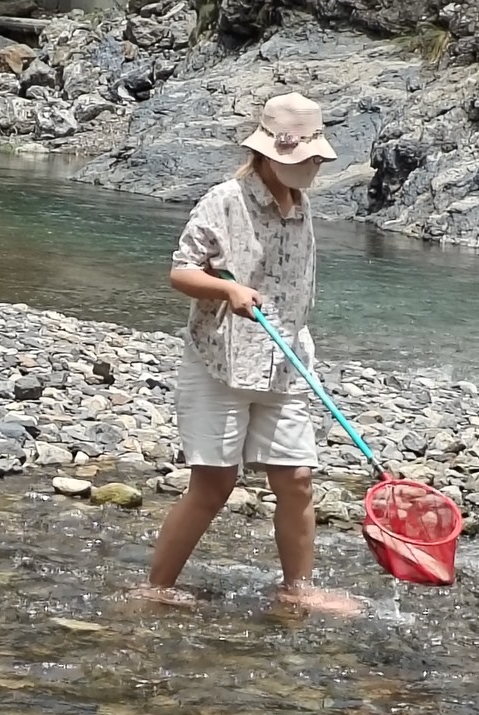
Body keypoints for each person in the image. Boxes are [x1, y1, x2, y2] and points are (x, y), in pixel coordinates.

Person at [138, 92, 362, 615]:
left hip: (286, 362)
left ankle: (297, 590)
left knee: (298, 479)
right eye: (298, 158)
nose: (306, 167)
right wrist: (227, 291)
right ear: (266, 153)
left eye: (310, 158)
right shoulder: (225, 199)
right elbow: (180, 271)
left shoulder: (301, 205)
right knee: (214, 483)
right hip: (221, 359)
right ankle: (156, 588)